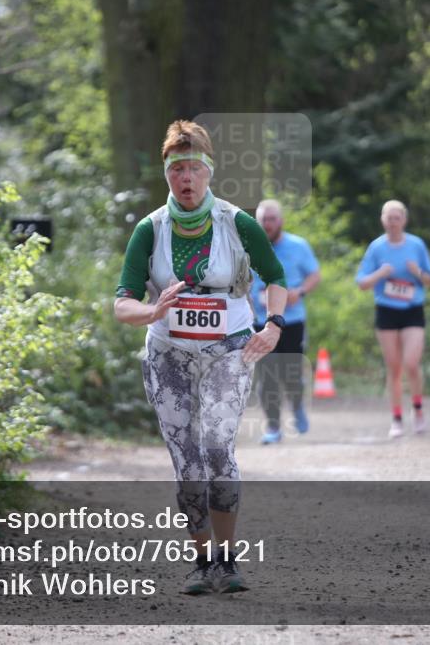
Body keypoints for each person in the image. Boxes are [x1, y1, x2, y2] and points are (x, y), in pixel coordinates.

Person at [114, 120, 287, 595]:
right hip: (168, 354)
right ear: (166, 175)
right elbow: (122, 303)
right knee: (187, 461)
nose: (185, 178)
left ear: (209, 171)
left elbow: (276, 278)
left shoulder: (237, 223)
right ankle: (202, 560)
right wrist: (152, 310)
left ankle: (228, 560)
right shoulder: (150, 229)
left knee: (215, 444)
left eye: (194, 168)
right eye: (176, 170)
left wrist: (273, 325)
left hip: (228, 350)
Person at [356, 200, 430, 439]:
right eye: (388, 218)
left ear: (404, 220)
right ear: (382, 220)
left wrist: (416, 272)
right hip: (386, 310)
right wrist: (380, 273)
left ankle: (418, 409)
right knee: (394, 367)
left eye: (396, 218)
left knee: (411, 363)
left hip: (412, 309)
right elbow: (361, 283)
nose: (392, 222)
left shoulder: (416, 245)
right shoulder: (376, 247)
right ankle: (397, 418)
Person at [250, 199, 321, 445]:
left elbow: (315, 275)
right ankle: (273, 427)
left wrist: (299, 292)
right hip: (260, 321)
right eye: (263, 220)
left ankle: (297, 405)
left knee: (291, 374)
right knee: (267, 374)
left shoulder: (298, 246)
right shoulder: (249, 247)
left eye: (272, 219)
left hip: (292, 321)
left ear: (281, 221)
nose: (267, 224)